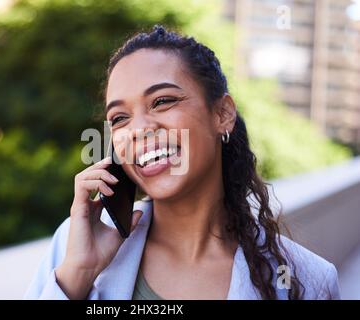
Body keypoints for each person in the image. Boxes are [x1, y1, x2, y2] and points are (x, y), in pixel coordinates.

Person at [24, 25, 340, 300]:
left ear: (222, 114)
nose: (139, 130)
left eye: (162, 101)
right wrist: (79, 274)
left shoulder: (308, 280)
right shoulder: (74, 246)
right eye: (120, 118)